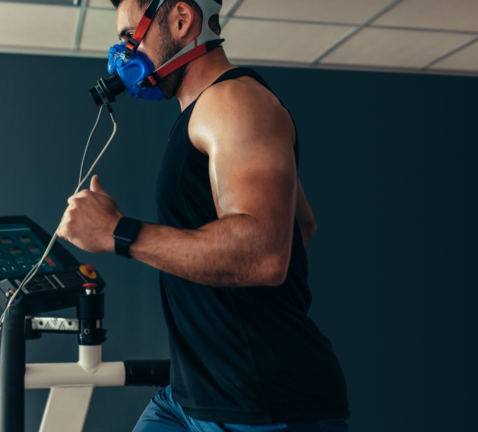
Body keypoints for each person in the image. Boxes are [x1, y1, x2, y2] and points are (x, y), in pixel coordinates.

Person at [56, 0, 349, 430]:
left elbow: (266, 254)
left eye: (128, 37)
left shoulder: (235, 102)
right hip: (192, 394)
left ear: (181, 19)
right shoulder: (203, 112)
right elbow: (299, 226)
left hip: (260, 402)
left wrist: (119, 233)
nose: (122, 55)